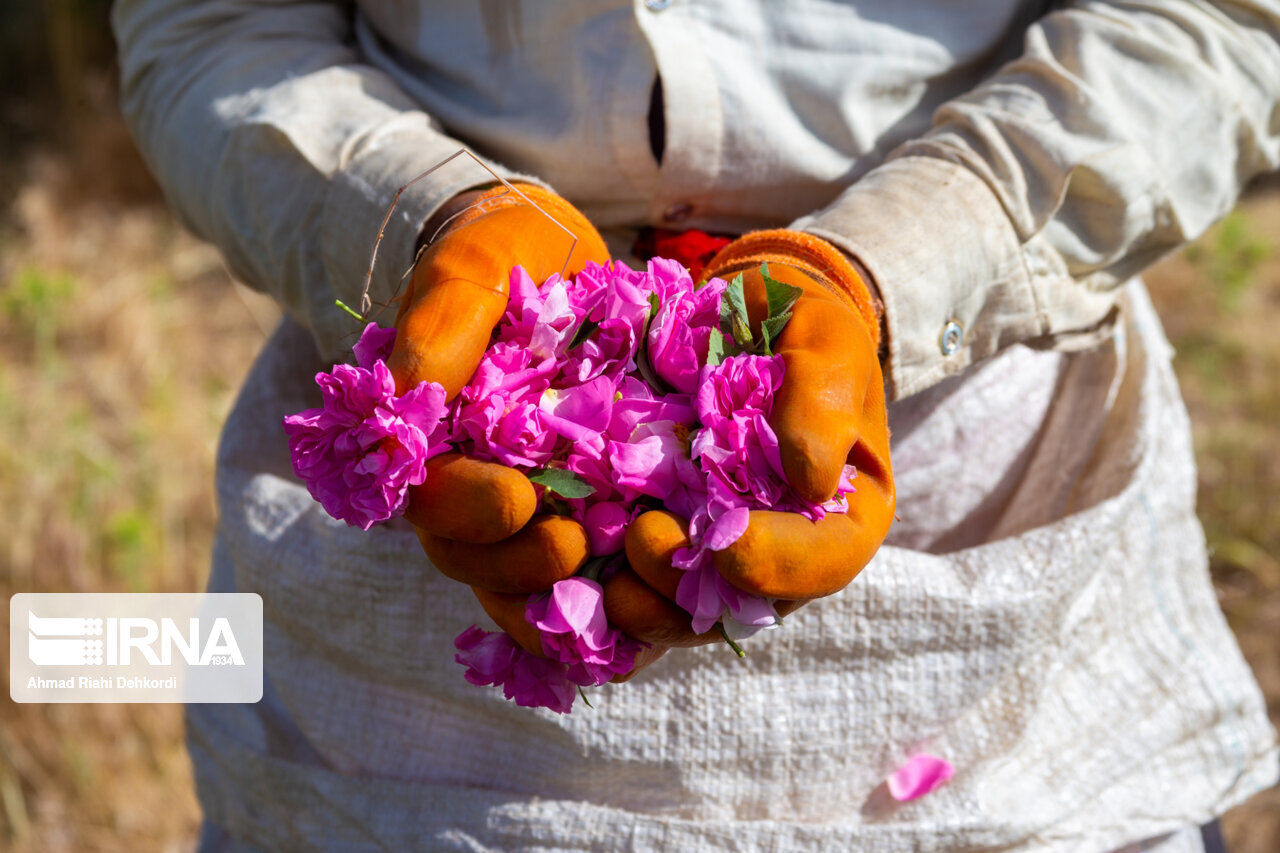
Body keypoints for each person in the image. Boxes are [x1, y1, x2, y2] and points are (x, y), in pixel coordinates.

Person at [113, 1, 1280, 850]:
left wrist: (896, 264)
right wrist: (425, 215)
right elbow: (206, 26)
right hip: (445, 441)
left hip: (970, 463)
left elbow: (1220, 22)